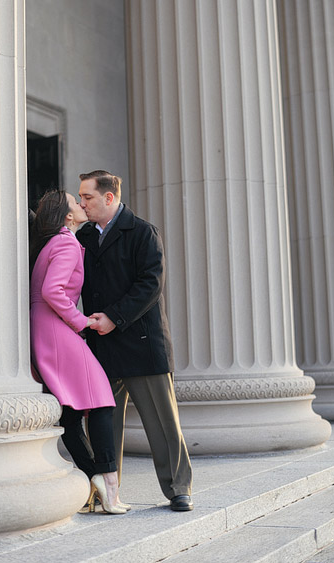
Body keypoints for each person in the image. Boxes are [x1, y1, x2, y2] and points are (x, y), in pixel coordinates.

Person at [76, 170, 194, 511]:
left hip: (142, 343)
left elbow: (150, 284)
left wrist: (114, 317)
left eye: (88, 197)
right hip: (101, 345)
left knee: (162, 422)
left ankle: (178, 488)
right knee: (102, 424)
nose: (82, 202)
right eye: (80, 197)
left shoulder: (142, 232)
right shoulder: (83, 236)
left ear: (109, 198)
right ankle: (106, 492)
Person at [29, 189, 127, 514]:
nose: (82, 204)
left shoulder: (52, 243)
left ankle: (90, 479)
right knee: (100, 399)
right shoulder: (67, 243)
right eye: (76, 201)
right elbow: (52, 291)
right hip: (57, 329)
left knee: (71, 412)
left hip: (46, 328)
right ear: (68, 216)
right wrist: (81, 321)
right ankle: (104, 481)